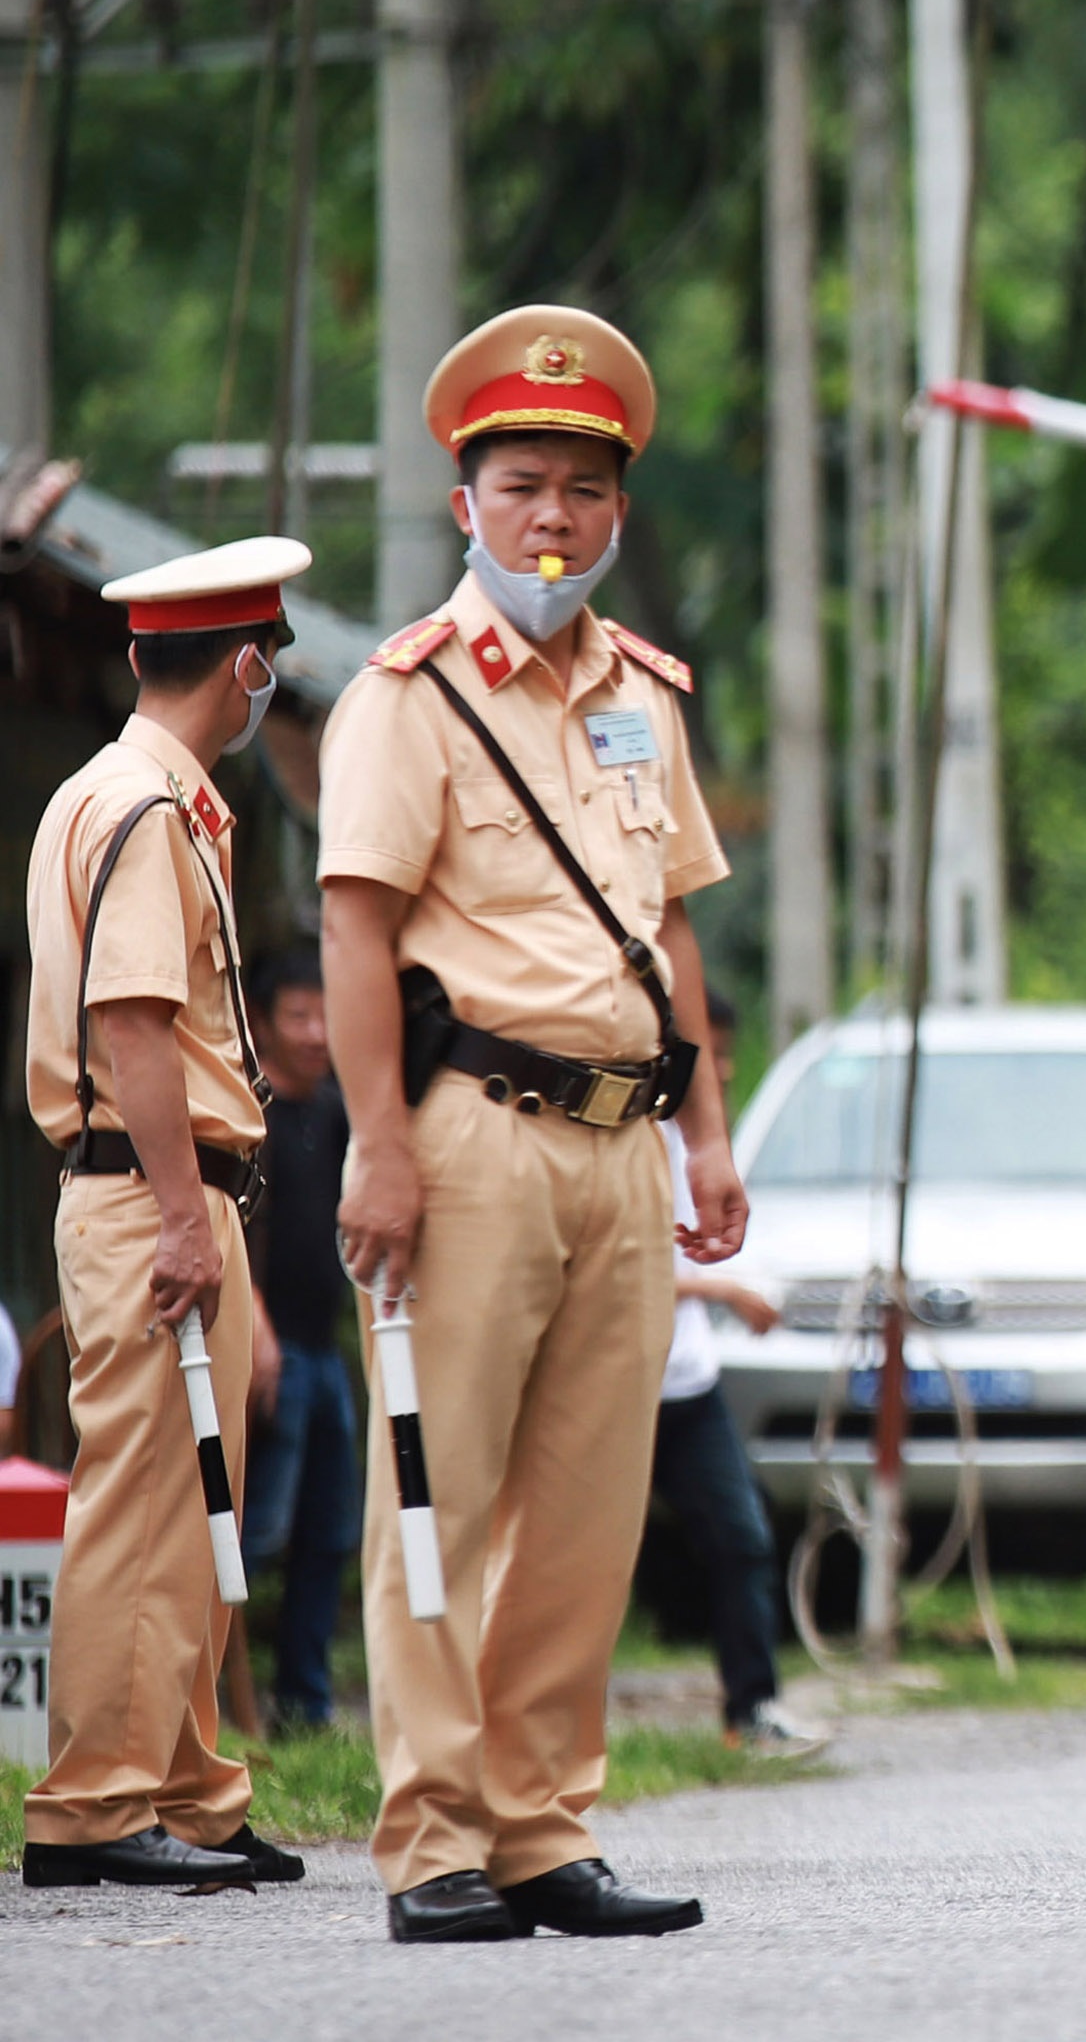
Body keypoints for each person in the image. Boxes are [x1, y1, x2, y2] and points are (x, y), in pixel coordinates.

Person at [319, 305, 743, 1943]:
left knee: (584, 1507)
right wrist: (376, 1141)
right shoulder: (403, 701)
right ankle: (431, 1835)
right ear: (463, 505)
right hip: (470, 1131)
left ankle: (544, 1824)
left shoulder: (644, 693)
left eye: (580, 488)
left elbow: (673, 929)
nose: (550, 516)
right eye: (520, 485)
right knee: (436, 1486)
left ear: (618, 511)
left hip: (626, 1144)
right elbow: (358, 930)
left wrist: (707, 1134)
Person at [17, 535, 316, 1890]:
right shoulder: (144, 807)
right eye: (272, 664)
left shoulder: (136, 791)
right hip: (153, 1192)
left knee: (195, 1495)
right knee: (144, 1501)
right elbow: (135, 1025)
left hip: (170, 1189)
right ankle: (92, 1807)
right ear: (246, 665)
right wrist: (189, 1220)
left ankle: (187, 1789)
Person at [654, 990, 819, 1759]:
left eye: (723, 1056)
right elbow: (616, 1265)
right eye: (703, 1055)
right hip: (616, 1379)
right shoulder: (633, 1133)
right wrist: (725, 1290)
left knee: (742, 1537)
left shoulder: (707, 1149)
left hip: (687, 1377)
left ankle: (750, 1709)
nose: (716, 1069)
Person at [241, 943, 365, 1733]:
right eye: (298, 1014)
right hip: (269, 1349)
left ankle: (304, 1700)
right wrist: (255, 1331)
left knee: (331, 1532)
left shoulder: (337, 1111)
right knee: (257, 1533)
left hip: (326, 1347)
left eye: (325, 1013)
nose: (316, 1032)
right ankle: (215, 1698)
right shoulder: (248, 1114)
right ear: (261, 1021)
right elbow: (237, 1234)